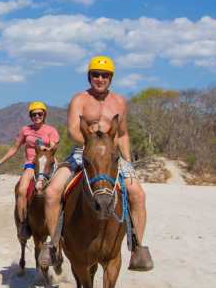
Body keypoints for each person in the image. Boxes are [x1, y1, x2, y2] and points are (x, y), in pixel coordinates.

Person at [38, 56, 153, 271]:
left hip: (112, 156)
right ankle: (53, 245)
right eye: (96, 75)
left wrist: (128, 162)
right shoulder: (79, 99)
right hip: (83, 152)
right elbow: (73, 129)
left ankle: (138, 248)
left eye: (105, 75)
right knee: (52, 191)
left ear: (111, 78)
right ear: (89, 76)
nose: (100, 79)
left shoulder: (119, 102)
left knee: (138, 194)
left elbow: (124, 134)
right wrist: (93, 147)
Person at [0, 100, 59, 232]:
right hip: (31, 165)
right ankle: (23, 224)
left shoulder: (51, 130)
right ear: (30, 116)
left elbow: (54, 146)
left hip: (48, 164)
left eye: (39, 114)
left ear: (44, 115)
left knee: (64, 187)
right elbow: (14, 148)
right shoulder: (25, 130)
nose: (36, 117)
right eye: (33, 114)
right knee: (21, 190)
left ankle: (63, 221)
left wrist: (47, 147)